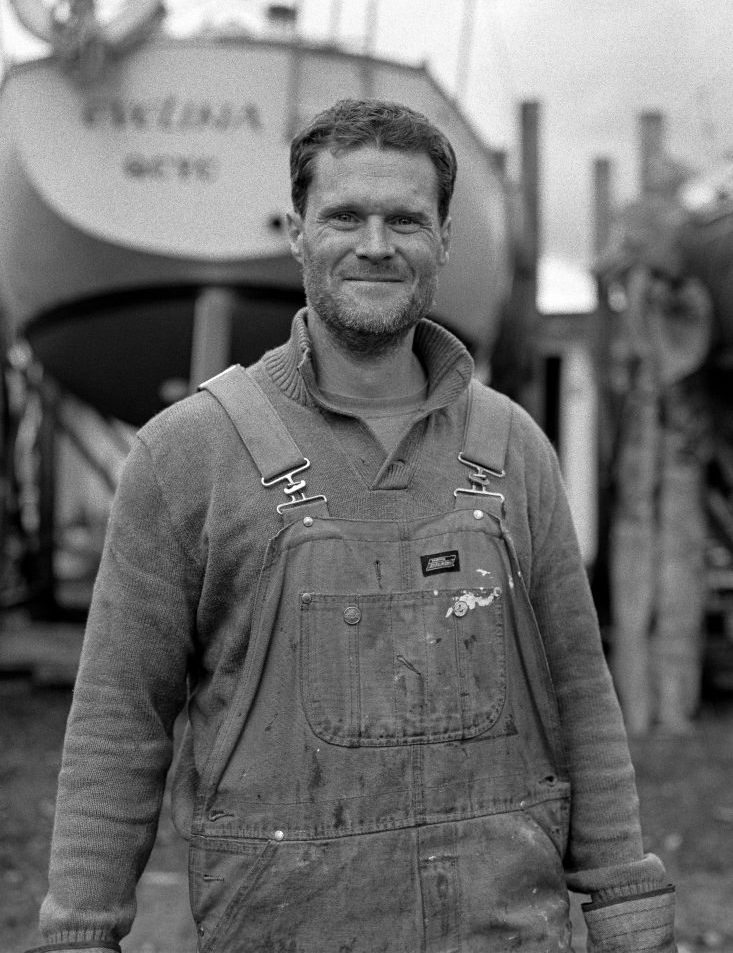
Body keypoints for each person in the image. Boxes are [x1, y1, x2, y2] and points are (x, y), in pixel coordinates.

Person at [32, 99, 677, 953]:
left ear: (443, 238)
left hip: (505, 930)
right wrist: (79, 932)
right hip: (281, 931)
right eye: (344, 215)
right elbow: (120, 720)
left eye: (405, 219)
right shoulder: (188, 452)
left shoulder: (512, 447)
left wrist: (627, 914)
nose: (376, 243)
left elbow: (581, 699)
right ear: (296, 231)